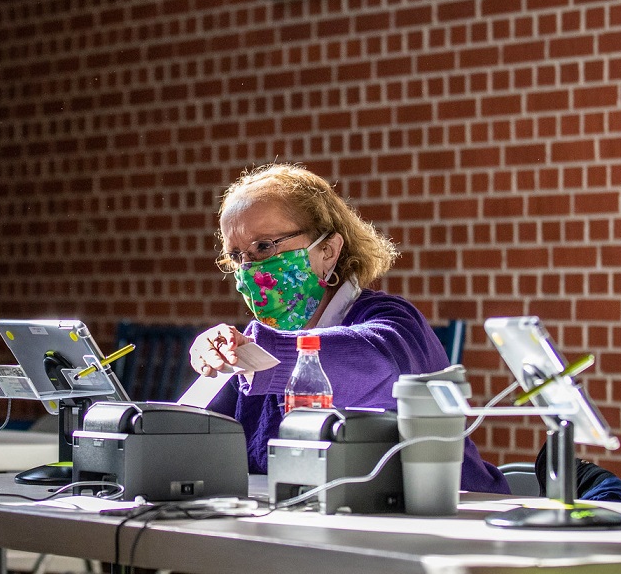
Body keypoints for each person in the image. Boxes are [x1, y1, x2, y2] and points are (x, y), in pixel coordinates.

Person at [190, 163, 509, 493]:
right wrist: (214, 358)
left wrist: (260, 352)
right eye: (237, 255)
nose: (249, 269)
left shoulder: (392, 319)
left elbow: (380, 367)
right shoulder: (257, 349)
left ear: (327, 250)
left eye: (265, 247)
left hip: (457, 519)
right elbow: (191, 435)